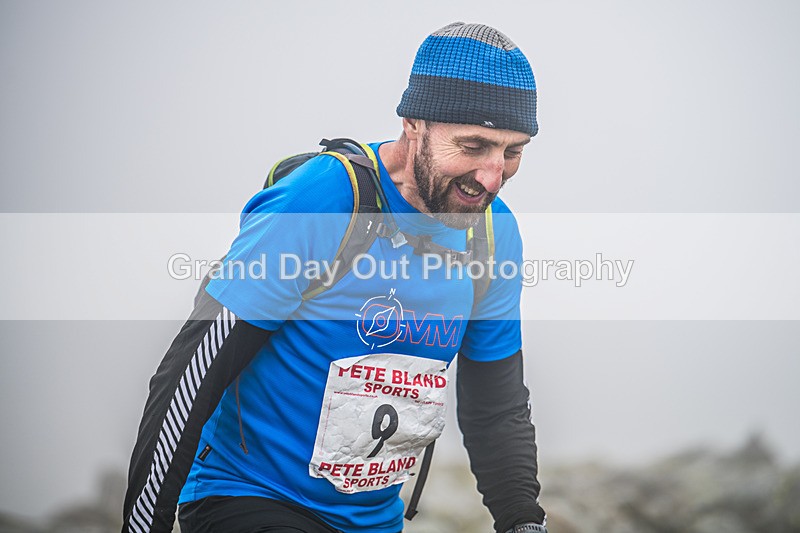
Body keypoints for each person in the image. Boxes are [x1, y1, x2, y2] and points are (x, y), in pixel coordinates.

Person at [122, 22, 547, 533]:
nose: (493, 176)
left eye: (513, 151)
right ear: (414, 124)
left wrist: (524, 521)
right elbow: (193, 374)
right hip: (247, 497)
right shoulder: (324, 200)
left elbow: (495, 407)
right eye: (474, 146)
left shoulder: (492, 235)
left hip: (371, 520)